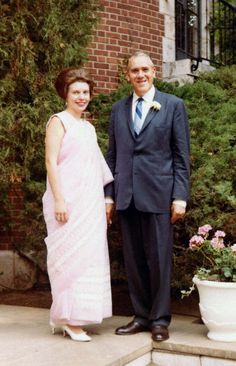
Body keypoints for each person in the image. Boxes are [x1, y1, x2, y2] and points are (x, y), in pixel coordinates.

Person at [105, 51, 190, 342]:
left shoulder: (172, 105)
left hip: (158, 195)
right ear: (127, 75)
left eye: (145, 69)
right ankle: (141, 316)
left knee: (158, 260)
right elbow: (113, 156)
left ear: (154, 72)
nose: (139, 75)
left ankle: (160, 320)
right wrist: (109, 197)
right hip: (127, 196)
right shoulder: (118, 109)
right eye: (134, 71)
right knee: (134, 260)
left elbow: (181, 156)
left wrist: (180, 196)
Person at [42, 68, 113, 342]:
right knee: (68, 259)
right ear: (65, 94)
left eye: (85, 92)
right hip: (66, 201)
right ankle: (68, 319)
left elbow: (96, 165)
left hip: (89, 203)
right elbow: (50, 161)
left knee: (88, 259)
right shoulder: (58, 122)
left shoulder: (88, 127)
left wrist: (105, 199)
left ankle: (79, 316)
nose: (82, 97)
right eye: (76, 92)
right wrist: (59, 198)